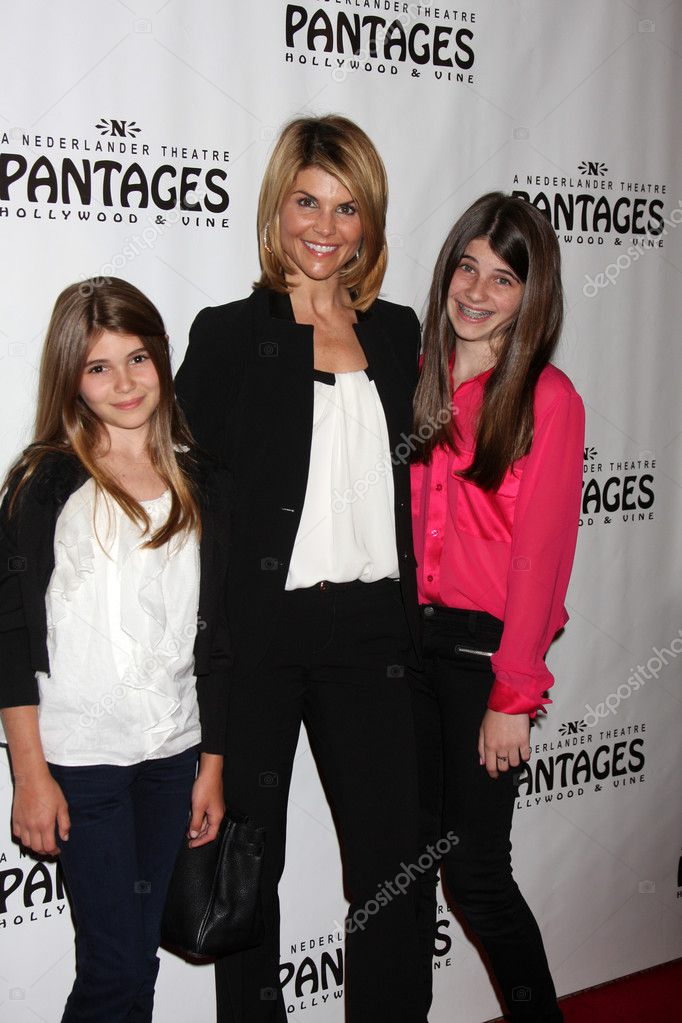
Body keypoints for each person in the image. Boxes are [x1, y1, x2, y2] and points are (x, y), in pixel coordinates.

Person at [175, 114, 424, 1023]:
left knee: (394, 866)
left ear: (370, 222)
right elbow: (185, 502)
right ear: (278, 208)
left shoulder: (400, 336)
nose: (326, 226)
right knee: (250, 861)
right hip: (264, 636)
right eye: (308, 201)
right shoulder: (232, 334)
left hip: (376, 635)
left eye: (348, 207)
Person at [0, 277, 230, 1023]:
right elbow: (8, 634)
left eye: (137, 358)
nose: (124, 382)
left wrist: (212, 767)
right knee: (117, 964)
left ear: (161, 360)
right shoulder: (44, 480)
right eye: (99, 367)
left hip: (170, 757)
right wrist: (29, 774)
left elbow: (220, 637)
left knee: (137, 968)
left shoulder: (198, 479)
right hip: (81, 760)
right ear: (72, 376)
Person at [410, 192, 584, 1022]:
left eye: (504, 277)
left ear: (531, 294)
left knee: (477, 875)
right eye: (467, 267)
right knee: (404, 866)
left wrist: (513, 694)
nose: (477, 290)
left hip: (486, 661)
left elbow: (542, 562)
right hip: (403, 651)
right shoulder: (417, 378)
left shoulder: (549, 399)